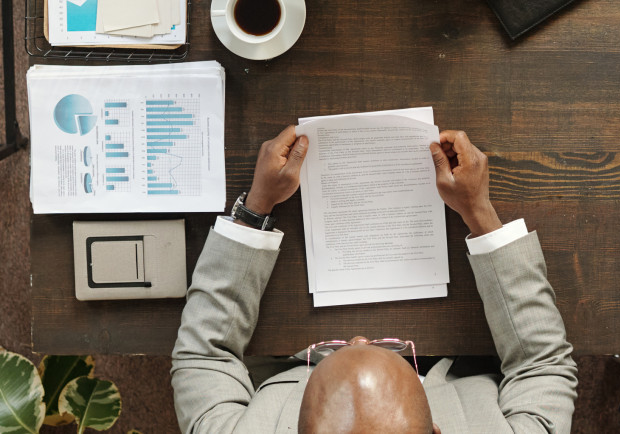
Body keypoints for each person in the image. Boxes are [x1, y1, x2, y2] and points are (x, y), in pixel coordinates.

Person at [171, 125, 578, 433]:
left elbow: (204, 354)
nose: (360, 339)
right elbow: (541, 363)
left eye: (348, 348)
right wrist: (481, 214)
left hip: (286, 346)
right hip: (462, 348)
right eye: (367, 347)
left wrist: (255, 208)